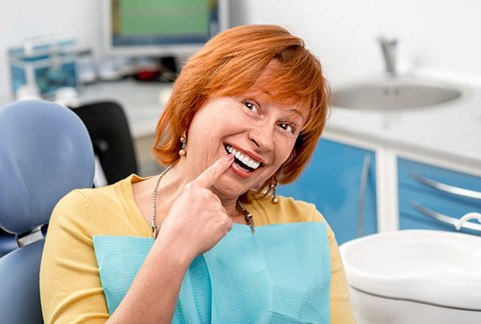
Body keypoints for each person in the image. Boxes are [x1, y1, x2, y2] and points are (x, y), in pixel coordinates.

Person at [40, 24, 356, 323]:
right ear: (194, 103)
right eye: (250, 105)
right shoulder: (82, 217)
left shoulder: (308, 228)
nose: (264, 139)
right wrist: (174, 249)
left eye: (286, 126)